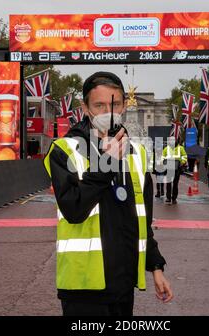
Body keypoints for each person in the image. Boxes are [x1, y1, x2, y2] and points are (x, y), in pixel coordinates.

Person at [44, 72, 173, 316]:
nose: (108, 111)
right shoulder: (64, 150)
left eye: (114, 104)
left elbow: (143, 220)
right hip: (84, 286)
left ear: (124, 104)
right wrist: (106, 164)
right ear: (85, 108)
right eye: (99, 105)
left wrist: (156, 266)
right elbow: (73, 209)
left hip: (123, 284)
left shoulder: (136, 154)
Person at [161, 136, 187, 204]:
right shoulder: (166, 149)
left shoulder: (181, 148)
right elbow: (162, 157)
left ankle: (174, 198)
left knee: (175, 184)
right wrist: (164, 163)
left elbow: (184, 156)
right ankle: (168, 198)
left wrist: (182, 163)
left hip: (177, 168)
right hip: (169, 168)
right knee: (169, 183)